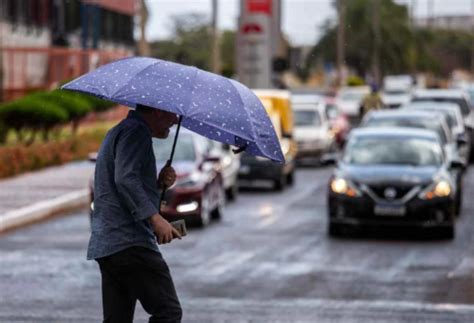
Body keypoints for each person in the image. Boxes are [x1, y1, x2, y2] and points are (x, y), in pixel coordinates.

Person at [87, 104, 183, 323]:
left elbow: (121, 183)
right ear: (159, 111)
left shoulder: (121, 130)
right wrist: (155, 218)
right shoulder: (136, 131)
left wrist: (158, 185)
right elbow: (125, 179)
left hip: (110, 245)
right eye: (173, 113)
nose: (176, 120)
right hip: (131, 243)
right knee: (168, 312)